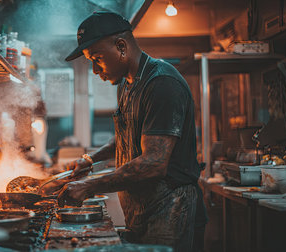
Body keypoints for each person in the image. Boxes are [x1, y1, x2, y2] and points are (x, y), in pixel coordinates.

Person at [57, 12, 207, 252]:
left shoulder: (162, 84)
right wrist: (90, 159)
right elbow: (129, 137)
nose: (95, 69)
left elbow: (153, 162)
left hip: (171, 210)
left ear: (121, 46)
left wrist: (89, 186)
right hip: (143, 208)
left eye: (97, 58)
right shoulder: (127, 85)